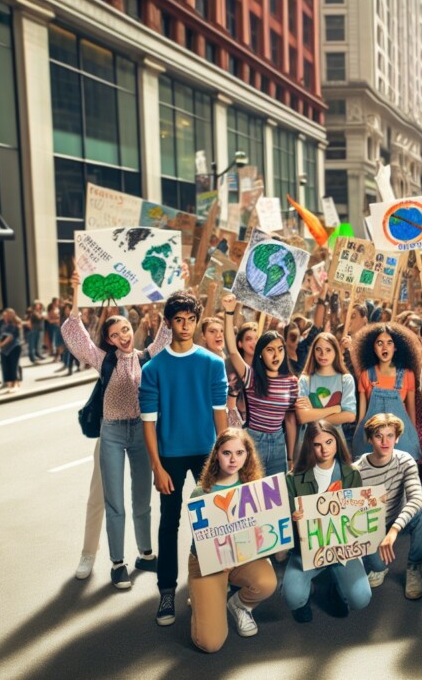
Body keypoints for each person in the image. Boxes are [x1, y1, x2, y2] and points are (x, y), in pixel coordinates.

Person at [63, 268, 172, 589]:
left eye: (126, 328)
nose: (123, 335)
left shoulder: (148, 356)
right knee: (115, 502)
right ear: (108, 341)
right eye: (116, 333)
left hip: (140, 433)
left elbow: (167, 330)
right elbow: (75, 334)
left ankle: (146, 554)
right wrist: (74, 294)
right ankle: (117, 563)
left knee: (142, 497)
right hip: (111, 433)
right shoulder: (103, 360)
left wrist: (166, 286)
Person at [139, 291, 229, 626]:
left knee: (209, 520)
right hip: (171, 455)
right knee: (169, 522)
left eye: (191, 320)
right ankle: (166, 591)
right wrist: (156, 466)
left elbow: (220, 414)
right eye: (179, 320)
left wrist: (226, 456)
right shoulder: (154, 368)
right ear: (168, 322)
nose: (186, 326)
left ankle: (203, 582)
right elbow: (148, 424)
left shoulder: (212, 363)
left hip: (207, 452)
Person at [186, 429, 277, 652]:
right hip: (208, 563)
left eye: (239, 452)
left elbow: (264, 528)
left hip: (243, 557)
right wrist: (218, 558)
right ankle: (201, 599)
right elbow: (202, 542)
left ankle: (239, 604)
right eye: (227, 453)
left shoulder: (256, 489)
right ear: (217, 454)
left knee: (267, 582)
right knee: (210, 643)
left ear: (248, 455)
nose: (233, 459)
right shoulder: (201, 492)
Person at [283, 420, 372, 622]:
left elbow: (358, 519)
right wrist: (293, 519)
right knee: (292, 597)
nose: (324, 449)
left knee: (360, 598)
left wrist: (369, 506)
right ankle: (305, 596)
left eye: (329, 442)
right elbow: (285, 528)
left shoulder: (351, 473)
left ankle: (336, 586)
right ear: (309, 446)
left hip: (341, 548)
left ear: (337, 442)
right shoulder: (293, 478)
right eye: (317, 444)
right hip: (307, 551)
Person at [354, 413, 422, 600]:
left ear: (397, 438)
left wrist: (394, 530)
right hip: (372, 526)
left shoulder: (405, 460)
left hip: (398, 519)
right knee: (378, 565)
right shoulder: (356, 470)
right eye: (378, 436)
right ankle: (378, 567)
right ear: (369, 439)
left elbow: (417, 499)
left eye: (390, 435)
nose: (385, 441)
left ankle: (414, 567)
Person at [222, 294, 299, 477]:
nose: (276, 355)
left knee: (276, 499)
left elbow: (290, 421)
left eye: (280, 350)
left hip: (279, 443)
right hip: (253, 441)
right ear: (261, 354)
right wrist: (229, 312)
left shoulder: (291, 382)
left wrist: (290, 456)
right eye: (270, 350)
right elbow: (232, 351)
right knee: (252, 497)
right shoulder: (251, 377)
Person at [350, 322, 422, 460]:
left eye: (389, 343)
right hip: (372, 441)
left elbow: (411, 414)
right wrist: (357, 442)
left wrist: (413, 439)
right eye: (379, 343)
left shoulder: (407, 374)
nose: (385, 347)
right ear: (372, 347)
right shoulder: (366, 375)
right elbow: (361, 417)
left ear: (396, 347)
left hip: (401, 439)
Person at [294, 331, 357, 446]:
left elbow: (350, 415)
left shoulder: (346, 380)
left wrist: (312, 415)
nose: (323, 354)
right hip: (309, 442)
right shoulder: (305, 379)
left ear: (335, 352)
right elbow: (302, 417)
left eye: (328, 350)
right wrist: (335, 409)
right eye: (318, 349)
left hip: (336, 441)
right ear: (313, 351)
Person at [0, 308, 23, 393]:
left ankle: (15, 383)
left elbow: (11, 336)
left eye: (7, 315)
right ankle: (9, 384)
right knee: (6, 366)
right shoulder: (1, 323)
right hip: (4, 349)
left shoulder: (14, 324)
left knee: (13, 365)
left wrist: (1, 344)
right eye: (4, 315)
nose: (5, 316)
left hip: (13, 346)